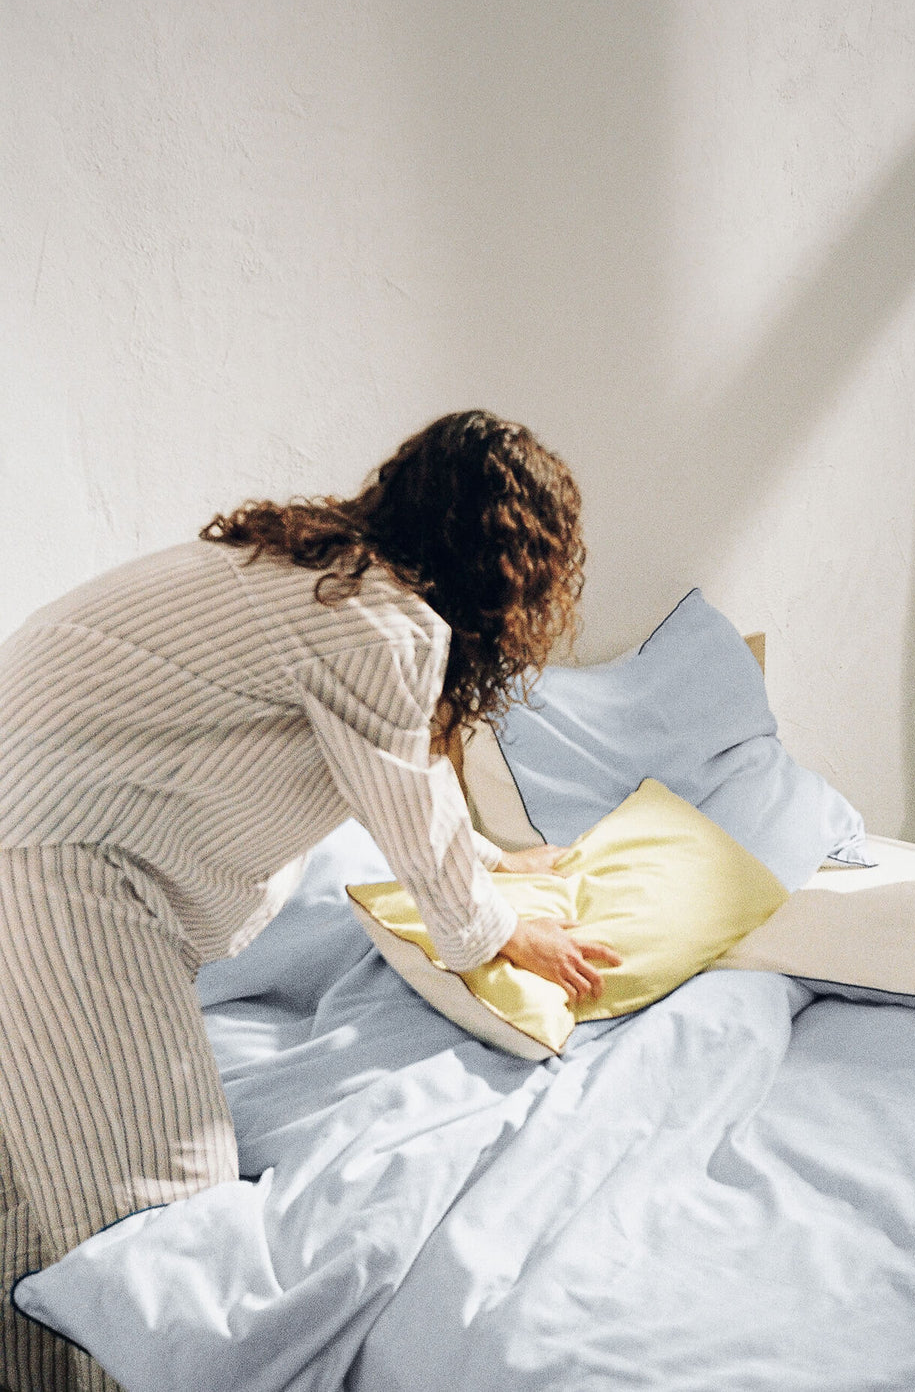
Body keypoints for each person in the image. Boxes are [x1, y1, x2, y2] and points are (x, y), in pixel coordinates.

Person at [0, 409, 618, 1392]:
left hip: (43, 841)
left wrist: (493, 864)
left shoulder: (310, 574)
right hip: (63, 866)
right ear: (512, 566)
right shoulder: (386, 624)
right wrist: (500, 931)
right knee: (170, 1239)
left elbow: (405, 781)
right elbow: (408, 812)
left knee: (35, 1210)